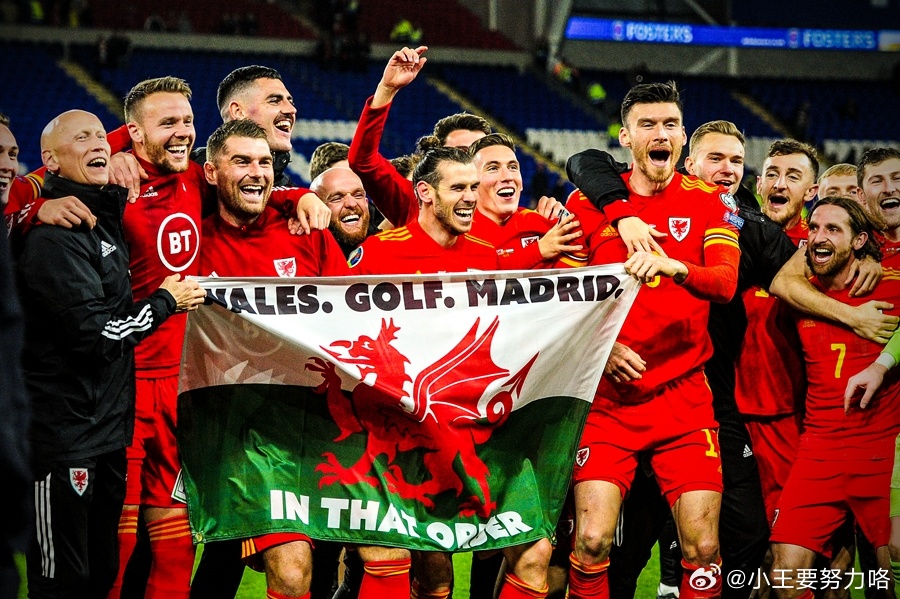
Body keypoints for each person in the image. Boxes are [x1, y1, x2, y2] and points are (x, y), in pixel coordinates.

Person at [566, 121, 893, 599]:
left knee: (746, 544)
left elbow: (790, 278)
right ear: (689, 163)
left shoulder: (752, 230)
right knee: (614, 547)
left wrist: (868, 259)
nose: (727, 169)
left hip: (712, 410)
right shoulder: (634, 199)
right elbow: (583, 162)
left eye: (737, 161)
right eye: (715, 158)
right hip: (625, 402)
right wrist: (621, 214)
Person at [350, 146, 555, 599]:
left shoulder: (488, 256)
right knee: (423, 568)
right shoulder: (377, 254)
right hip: (403, 437)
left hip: (478, 432)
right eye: (458, 187)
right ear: (425, 192)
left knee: (535, 552)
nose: (470, 197)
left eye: (473, 187)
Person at [16, 109, 204, 599]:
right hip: (64, 440)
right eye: (82, 138)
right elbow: (98, 336)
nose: (99, 144)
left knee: (101, 574)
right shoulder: (54, 236)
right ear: (50, 161)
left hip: (104, 433)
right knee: (60, 580)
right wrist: (165, 302)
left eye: (102, 136)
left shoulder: (101, 220)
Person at [563, 82, 741, 599]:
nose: (660, 134)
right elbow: (565, 298)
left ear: (683, 137)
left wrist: (673, 266)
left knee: (703, 547)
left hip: (683, 398)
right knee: (591, 541)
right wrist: (600, 348)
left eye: (670, 125)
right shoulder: (588, 202)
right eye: (647, 125)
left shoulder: (713, 202)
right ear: (626, 137)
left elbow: (724, 283)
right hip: (607, 401)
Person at [198, 120, 349, 599]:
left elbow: (351, 321)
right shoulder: (192, 236)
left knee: (328, 568)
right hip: (244, 436)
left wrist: (297, 197)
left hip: (317, 429)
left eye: (264, 162)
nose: (257, 172)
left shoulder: (305, 231)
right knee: (291, 570)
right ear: (211, 172)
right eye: (242, 161)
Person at [770, 196, 900, 599]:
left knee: (888, 575)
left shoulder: (891, 285)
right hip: (820, 451)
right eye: (813, 228)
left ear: (859, 240)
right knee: (784, 576)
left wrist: (882, 365)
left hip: (881, 451)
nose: (818, 237)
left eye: (832, 229)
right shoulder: (801, 294)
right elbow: (780, 283)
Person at [107, 75, 202, 599]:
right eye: (168, 123)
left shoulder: (196, 178)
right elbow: (35, 180)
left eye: (187, 120)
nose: (183, 132)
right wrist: (114, 149)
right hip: (122, 386)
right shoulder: (109, 185)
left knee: (177, 544)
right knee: (115, 548)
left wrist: (300, 198)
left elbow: (249, 175)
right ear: (135, 133)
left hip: (179, 388)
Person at [309, 166, 371, 257]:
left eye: (358, 195)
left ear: (366, 203)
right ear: (317, 209)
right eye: (337, 198)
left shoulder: (387, 245)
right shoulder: (306, 256)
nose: (351, 203)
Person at [857, 148, 900, 266]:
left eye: (897, 178)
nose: (889, 189)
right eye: (876, 181)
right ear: (861, 195)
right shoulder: (851, 250)